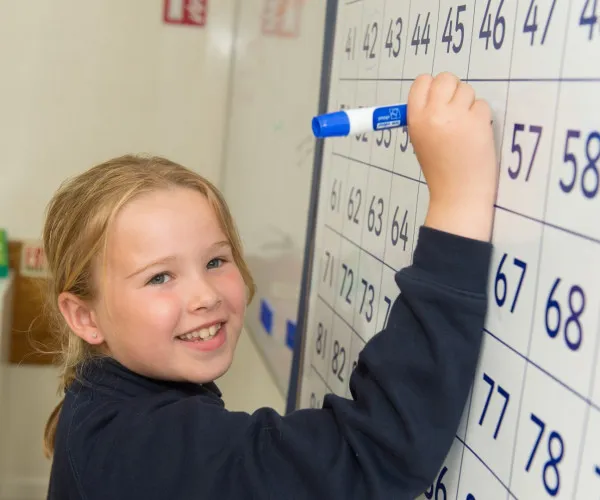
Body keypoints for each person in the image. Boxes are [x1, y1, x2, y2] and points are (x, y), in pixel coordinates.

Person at [43, 72, 498, 499]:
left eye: (216, 260)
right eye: (160, 277)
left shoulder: (105, 404)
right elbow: (375, 452)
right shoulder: (144, 446)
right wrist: (458, 200)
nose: (206, 295)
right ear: (84, 316)